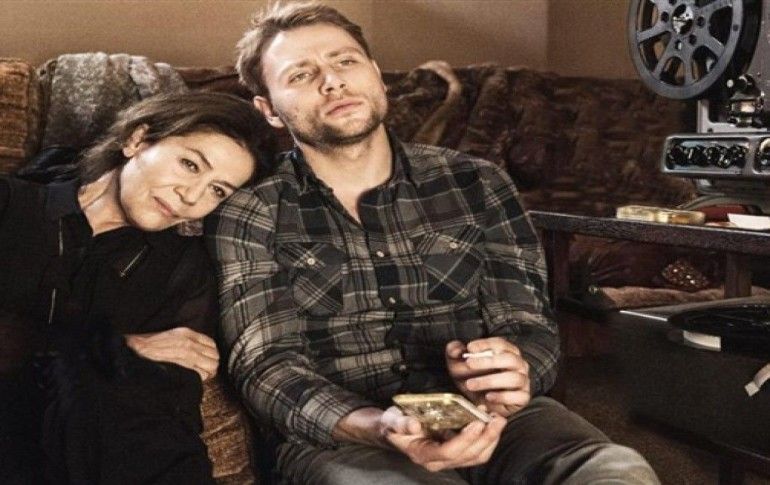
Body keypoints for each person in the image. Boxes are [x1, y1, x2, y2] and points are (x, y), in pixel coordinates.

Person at [207, 2, 660, 483]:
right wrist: (378, 427)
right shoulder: (251, 210)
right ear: (269, 111)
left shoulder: (478, 182)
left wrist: (513, 372)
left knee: (618, 470)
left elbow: (530, 326)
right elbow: (266, 367)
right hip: (345, 438)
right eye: (301, 75)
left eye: (345, 61)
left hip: (496, 420)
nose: (332, 81)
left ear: (376, 75)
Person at [0, 91, 266, 483]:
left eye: (217, 190)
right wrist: (117, 348)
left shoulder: (183, 272)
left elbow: (163, 417)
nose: (192, 197)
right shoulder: (12, 205)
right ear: (136, 140)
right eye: (190, 164)